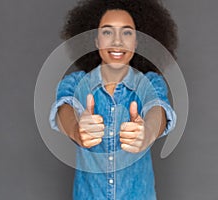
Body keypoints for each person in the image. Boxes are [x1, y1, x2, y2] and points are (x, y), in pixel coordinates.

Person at [49, 0, 178, 199]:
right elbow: (63, 108)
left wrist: (148, 133)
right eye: (107, 32)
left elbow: (157, 107)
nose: (117, 41)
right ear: (96, 40)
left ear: (137, 42)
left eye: (127, 32)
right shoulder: (76, 83)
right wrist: (76, 129)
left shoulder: (150, 82)